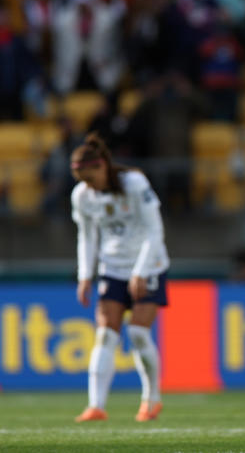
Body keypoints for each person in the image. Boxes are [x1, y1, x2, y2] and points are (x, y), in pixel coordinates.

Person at [71, 133, 170, 423]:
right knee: (105, 334)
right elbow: (87, 236)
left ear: (102, 166)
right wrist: (85, 275)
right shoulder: (82, 196)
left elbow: (155, 232)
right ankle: (96, 405)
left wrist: (140, 271)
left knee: (138, 333)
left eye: (89, 178)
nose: (87, 186)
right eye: (81, 181)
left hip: (149, 265)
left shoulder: (135, 184)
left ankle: (152, 399)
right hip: (112, 268)